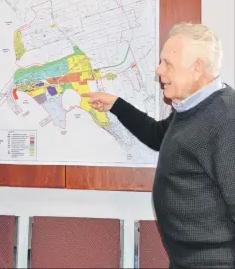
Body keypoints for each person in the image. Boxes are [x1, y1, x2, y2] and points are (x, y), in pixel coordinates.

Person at [82, 22, 235, 268]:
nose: (158, 71)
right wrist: (116, 104)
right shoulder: (190, 110)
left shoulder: (226, 119)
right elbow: (157, 135)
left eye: (167, 64)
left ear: (197, 69)